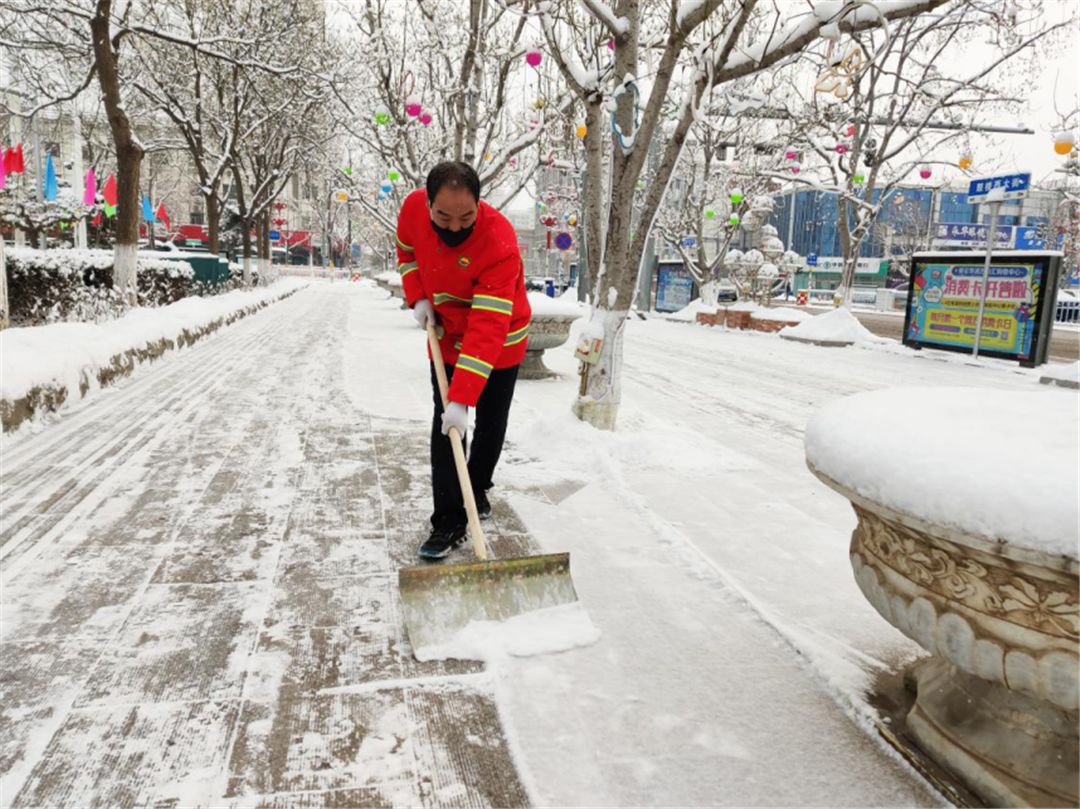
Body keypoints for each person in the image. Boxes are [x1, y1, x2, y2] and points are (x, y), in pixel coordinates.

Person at [394, 161, 531, 560]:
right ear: (429, 203)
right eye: (443, 217)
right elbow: (405, 250)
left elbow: (489, 324)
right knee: (448, 429)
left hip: (501, 339)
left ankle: (478, 486)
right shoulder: (411, 210)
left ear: (479, 204)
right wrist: (417, 293)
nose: (454, 228)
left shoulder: (498, 240)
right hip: (447, 335)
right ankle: (449, 520)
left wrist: (463, 397)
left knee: (489, 422)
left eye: (466, 217)